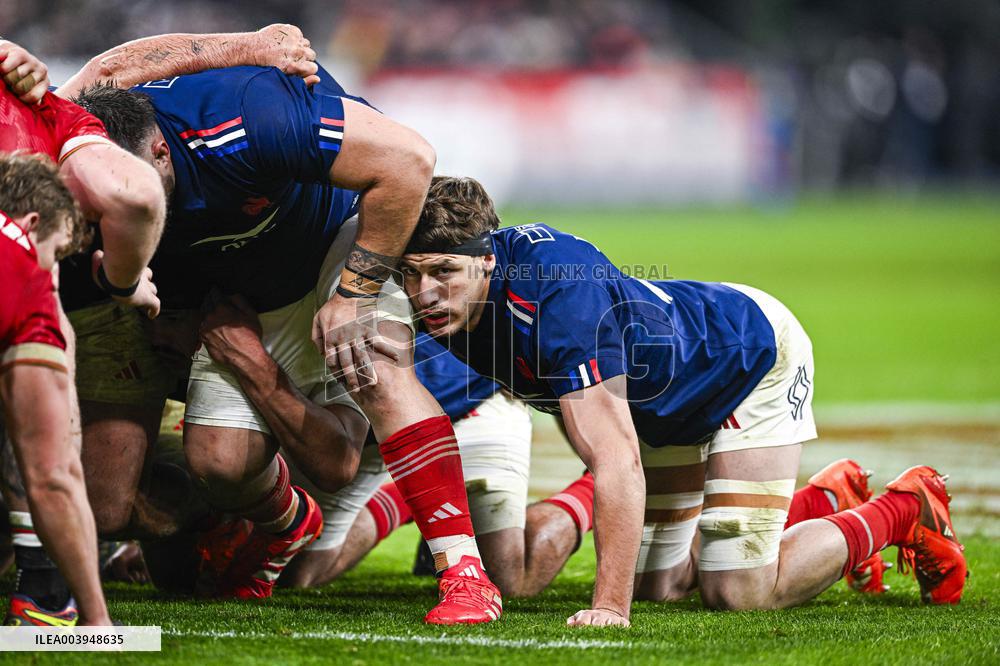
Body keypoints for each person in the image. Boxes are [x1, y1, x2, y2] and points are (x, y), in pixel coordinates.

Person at [61, 29, 502, 622]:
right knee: (220, 463)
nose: (118, 209)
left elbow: (408, 159)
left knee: (376, 360)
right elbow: (104, 69)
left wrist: (356, 293)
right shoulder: (72, 141)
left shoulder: (247, 117)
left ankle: (465, 574)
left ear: (161, 153)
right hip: (241, 286)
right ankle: (285, 522)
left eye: (131, 193)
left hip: (336, 236)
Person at [397, 175, 968, 626]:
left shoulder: (557, 298)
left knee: (738, 591)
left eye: (444, 271)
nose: (425, 293)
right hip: (663, 403)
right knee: (659, 584)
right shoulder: (451, 297)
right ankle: (823, 499)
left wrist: (609, 608)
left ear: (487, 260)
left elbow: (615, 456)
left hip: (742, 363)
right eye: (411, 274)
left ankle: (905, 508)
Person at [0, 153, 111, 626]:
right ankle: (91, 619)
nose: (53, 270)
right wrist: (98, 622)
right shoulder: (28, 276)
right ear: (31, 224)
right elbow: (53, 476)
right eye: (57, 252)